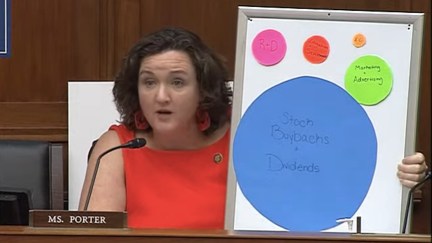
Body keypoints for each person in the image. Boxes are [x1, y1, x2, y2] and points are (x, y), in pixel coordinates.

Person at [79, 27, 429, 229]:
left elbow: (326, 178)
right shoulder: (118, 147)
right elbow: (92, 237)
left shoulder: (250, 133)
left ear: (203, 88)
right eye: (149, 82)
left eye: (178, 82)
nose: (162, 96)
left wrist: (401, 179)